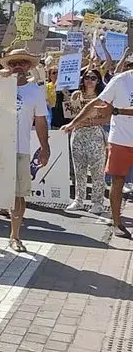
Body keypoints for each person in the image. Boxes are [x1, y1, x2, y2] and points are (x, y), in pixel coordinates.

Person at [0, 49, 49, 253]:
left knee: (18, 196)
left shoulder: (35, 91)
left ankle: (15, 236)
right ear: (7, 65)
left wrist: (45, 147)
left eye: (23, 63)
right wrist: (1, 78)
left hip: (21, 148)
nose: (18, 66)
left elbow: (41, 121)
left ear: (29, 67)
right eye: (14, 63)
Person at [65, 66, 133, 238]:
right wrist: (73, 123)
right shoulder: (120, 81)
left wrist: (117, 111)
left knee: (103, 176)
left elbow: (110, 111)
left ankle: (98, 204)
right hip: (121, 140)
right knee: (117, 180)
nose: (89, 80)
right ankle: (117, 223)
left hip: (103, 137)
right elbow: (94, 104)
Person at [62, 70, 108, 213]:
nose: (89, 80)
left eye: (93, 78)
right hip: (78, 135)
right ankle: (79, 200)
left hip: (95, 135)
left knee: (97, 170)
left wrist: (90, 122)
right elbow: (71, 115)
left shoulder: (102, 97)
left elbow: (107, 118)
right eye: (87, 77)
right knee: (79, 169)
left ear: (98, 81)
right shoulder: (77, 95)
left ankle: (97, 202)